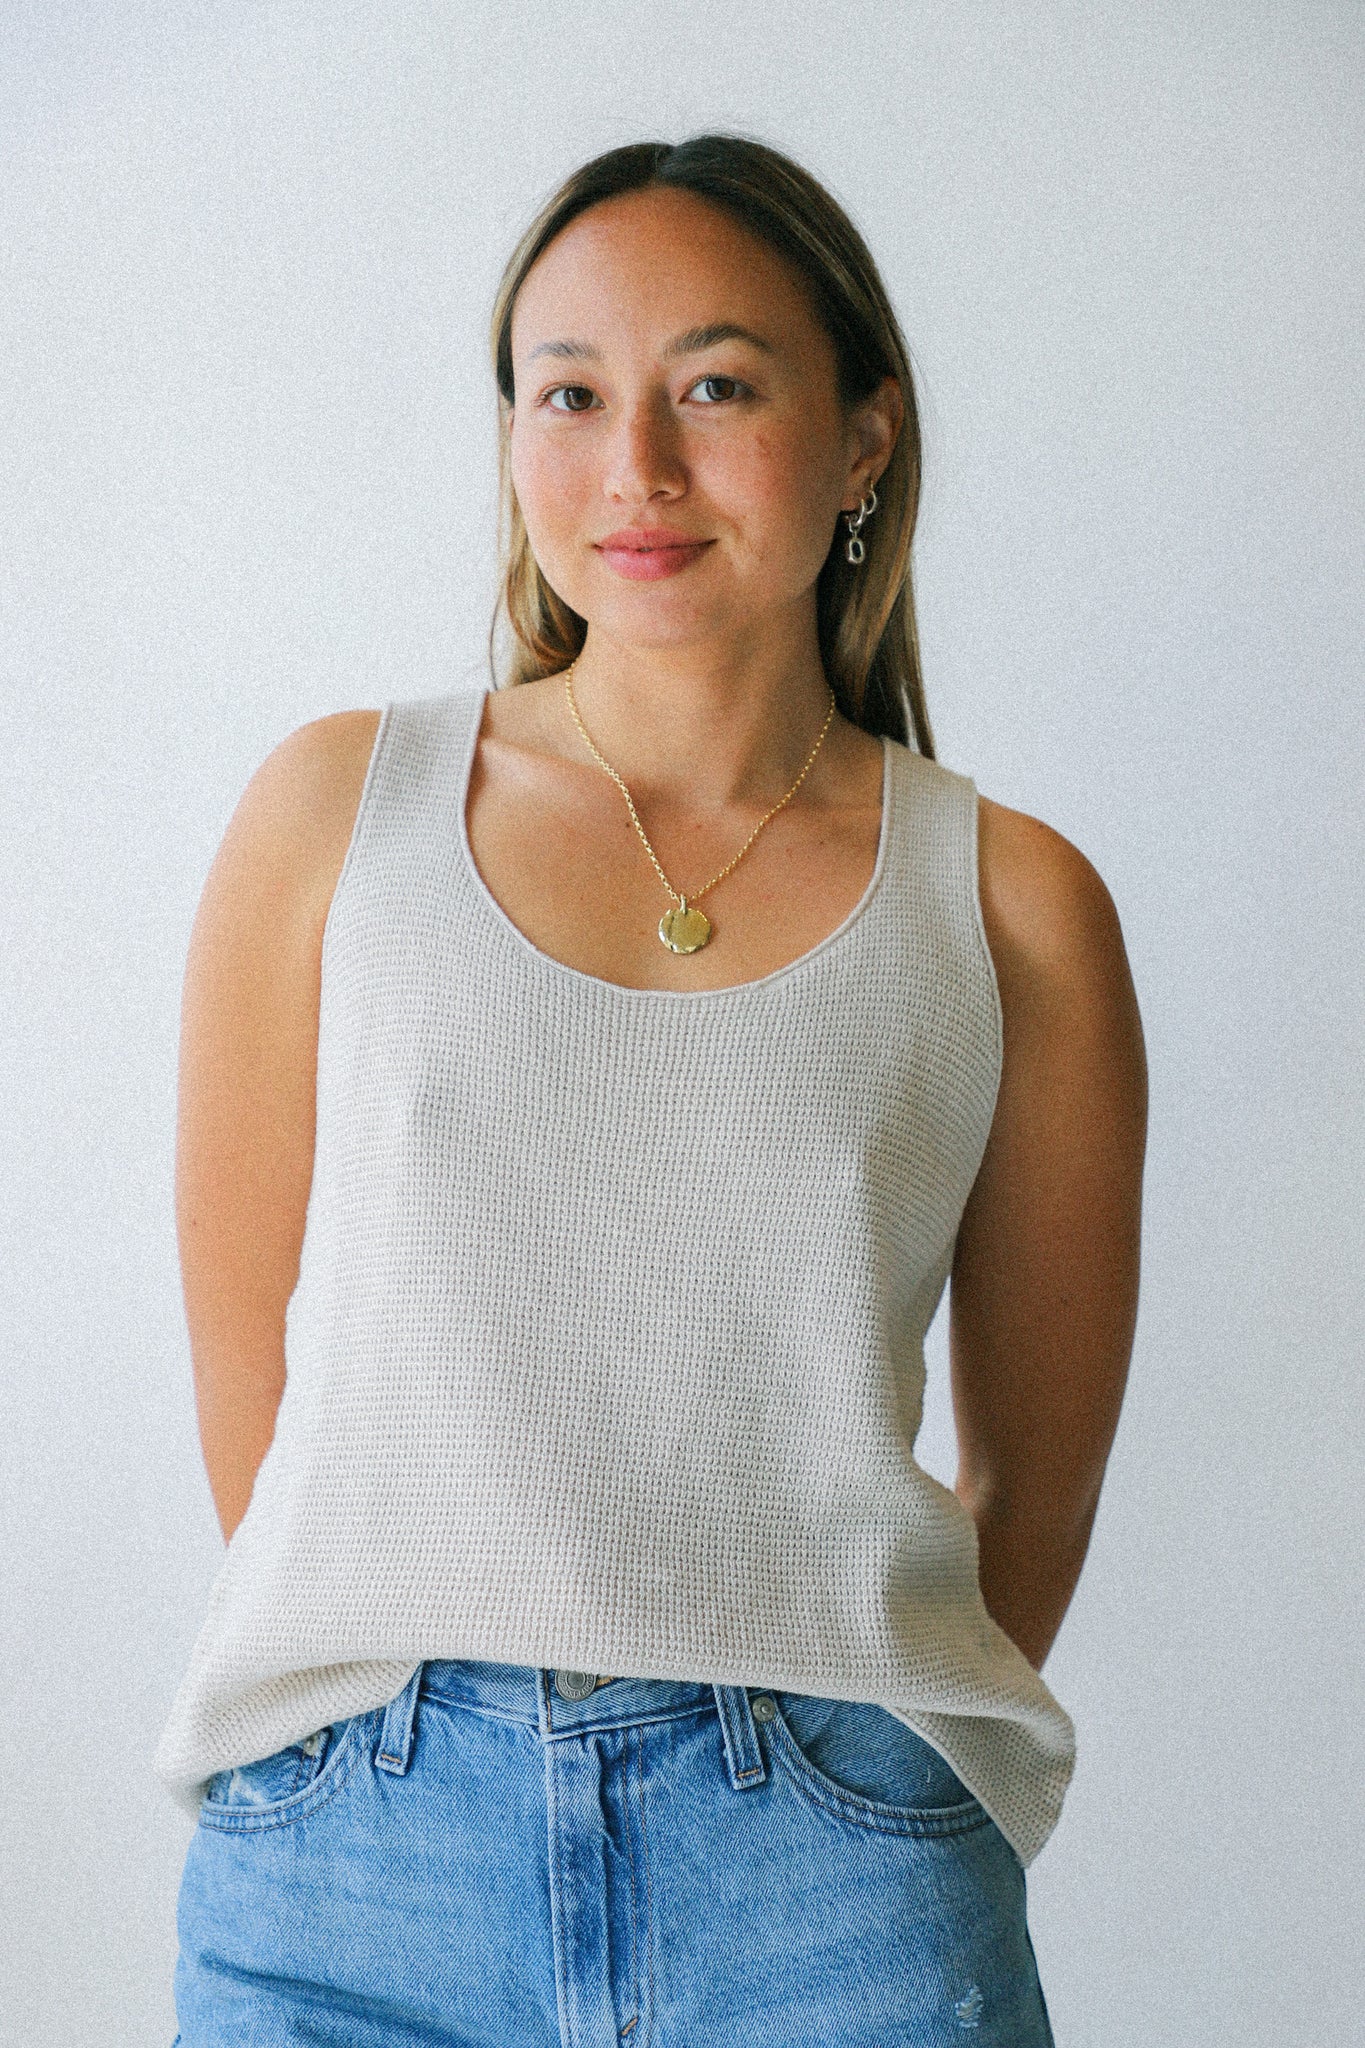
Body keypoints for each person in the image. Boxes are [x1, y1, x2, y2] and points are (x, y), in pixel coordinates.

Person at [158, 135, 1147, 2046]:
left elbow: (1037, 1480)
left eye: (715, 387)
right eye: (569, 395)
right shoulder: (337, 817)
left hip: (836, 1893)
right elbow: (249, 1392)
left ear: (863, 441)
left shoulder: (1009, 904)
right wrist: (379, 1707)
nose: (635, 467)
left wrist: (857, 1758)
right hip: (353, 1870)